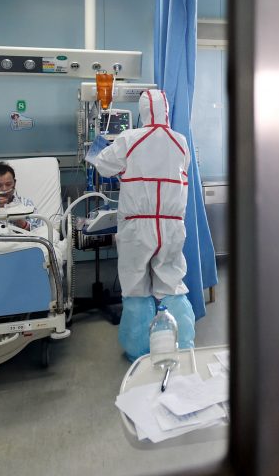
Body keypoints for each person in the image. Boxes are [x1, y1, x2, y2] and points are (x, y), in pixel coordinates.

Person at [87, 88, 196, 360]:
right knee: (171, 283)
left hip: (137, 227)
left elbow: (103, 166)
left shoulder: (130, 138)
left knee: (136, 285)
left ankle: (139, 349)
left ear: (143, 111)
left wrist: (98, 144)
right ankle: (181, 344)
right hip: (171, 226)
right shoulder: (181, 141)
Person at [0, 161, 39, 230]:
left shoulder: (26, 204)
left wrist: (20, 221)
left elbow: (38, 231)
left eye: (8, 184)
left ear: (14, 183)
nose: (4, 189)